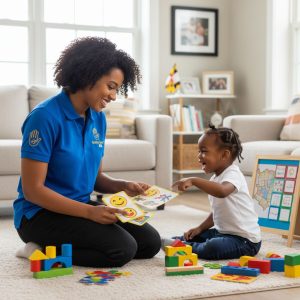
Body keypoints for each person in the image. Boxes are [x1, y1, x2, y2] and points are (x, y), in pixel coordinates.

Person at [14, 37, 161, 267]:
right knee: (122, 249)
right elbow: (33, 191)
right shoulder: (44, 117)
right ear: (88, 75)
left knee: (150, 243)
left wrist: (123, 185)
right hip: (39, 215)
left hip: (80, 206)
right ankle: (39, 249)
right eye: (111, 86)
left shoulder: (97, 119)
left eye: (117, 89)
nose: (114, 96)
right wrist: (89, 213)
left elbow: (96, 179)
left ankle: (58, 245)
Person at [163, 125, 261, 260]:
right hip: (223, 233)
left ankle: (185, 248)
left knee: (213, 247)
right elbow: (217, 211)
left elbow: (222, 191)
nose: (199, 156)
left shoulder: (233, 175)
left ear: (224, 155)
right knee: (197, 235)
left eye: (203, 151)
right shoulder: (215, 178)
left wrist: (194, 180)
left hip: (245, 240)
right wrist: (199, 228)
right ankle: (177, 241)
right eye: (199, 151)